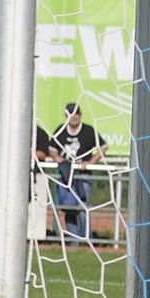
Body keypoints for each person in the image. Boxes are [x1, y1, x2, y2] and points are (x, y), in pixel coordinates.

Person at [48, 103, 108, 240]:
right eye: (70, 114)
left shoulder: (88, 131)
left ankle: (86, 239)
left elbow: (103, 147)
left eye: (76, 113)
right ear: (66, 116)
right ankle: (72, 241)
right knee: (68, 207)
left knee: (82, 206)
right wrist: (57, 158)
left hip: (83, 175)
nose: (74, 117)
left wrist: (91, 162)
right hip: (65, 174)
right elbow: (51, 148)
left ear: (80, 115)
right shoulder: (61, 130)